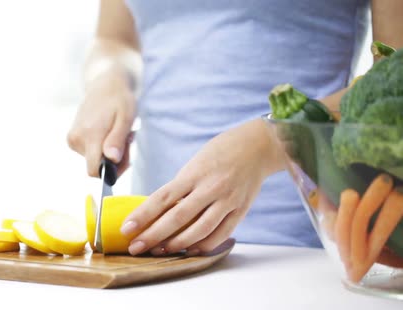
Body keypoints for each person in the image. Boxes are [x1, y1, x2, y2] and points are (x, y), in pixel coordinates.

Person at [67, 0, 403, 256]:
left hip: (297, 253)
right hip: (153, 254)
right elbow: (114, 40)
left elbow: (395, 76)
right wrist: (108, 79)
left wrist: (268, 143)